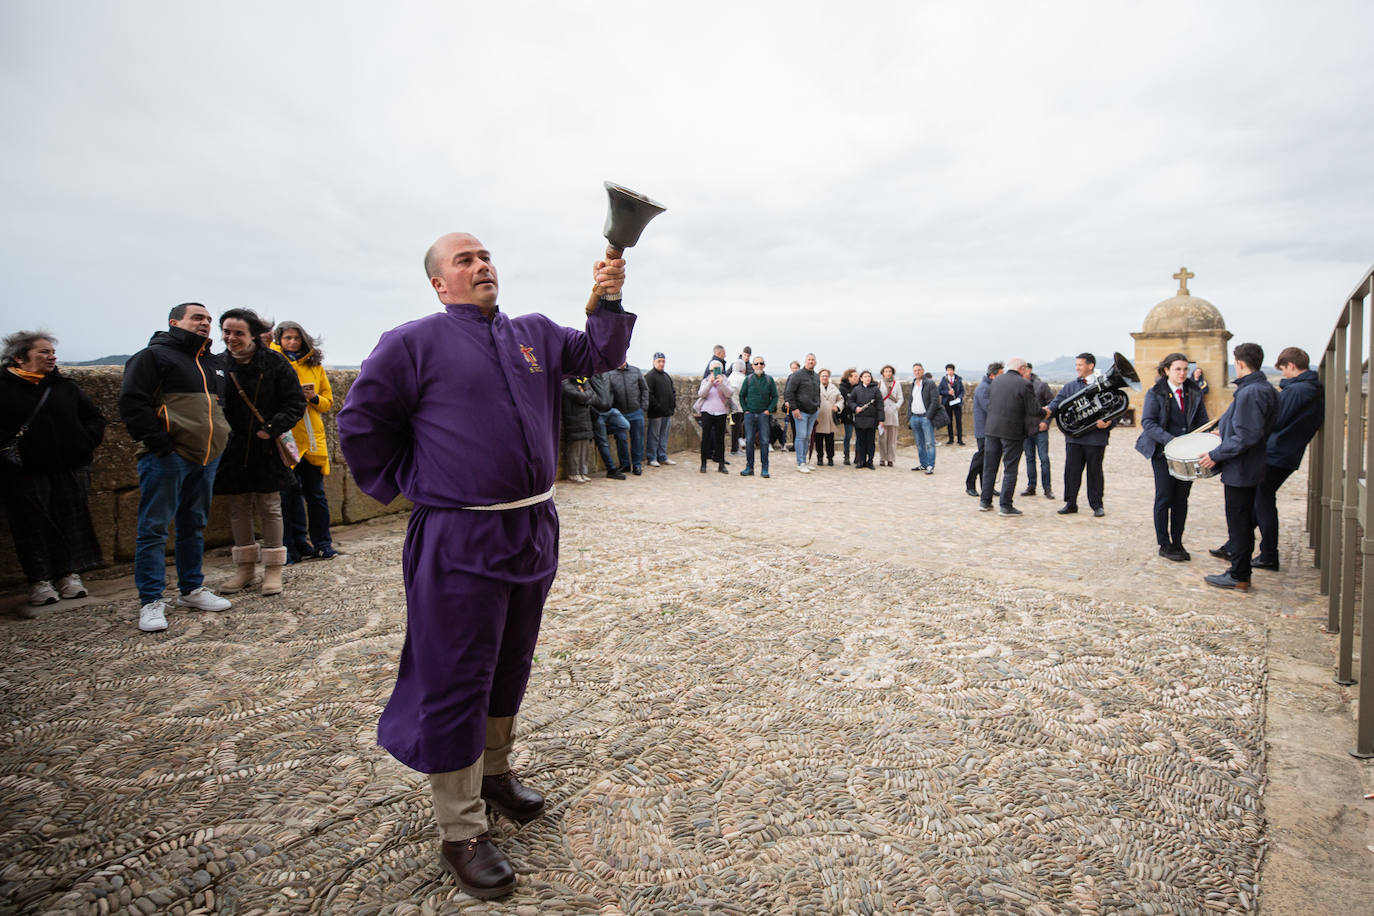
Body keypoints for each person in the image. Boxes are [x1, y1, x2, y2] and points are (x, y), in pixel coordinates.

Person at [337, 231, 633, 899]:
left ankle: (494, 773)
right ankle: (461, 827)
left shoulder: (534, 333)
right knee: (455, 674)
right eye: (464, 260)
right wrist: (413, 480)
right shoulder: (411, 342)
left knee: (510, 660)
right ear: (440, 284)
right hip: (458, 537)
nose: (480, 265)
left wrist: (608, 297)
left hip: (532, 525)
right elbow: (361, 421)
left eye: (485, 256)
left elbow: (600, 352)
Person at [119, 303, 234, 632]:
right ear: (174, 322)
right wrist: (161, 445)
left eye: (209, 319)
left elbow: (217, 408)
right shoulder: (153, 357)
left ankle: (191, 588)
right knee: (154, 528)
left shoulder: (212, 362)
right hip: (168, 456)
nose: (205, 323)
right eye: (197, 317)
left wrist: (221, 441)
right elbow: (132, 402)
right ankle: (151, 600)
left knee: (193, 524)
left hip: (206, 456)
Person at [1, 331, 105, 609]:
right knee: (31, 525)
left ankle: (69, 575)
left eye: (52, 352)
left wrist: (84, 443)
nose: (51, 357)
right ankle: (39, 580)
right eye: (43, 352)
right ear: (19, 357)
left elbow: (94, 417)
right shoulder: (4, 387)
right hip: (25, 471)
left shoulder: (64, 386)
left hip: (69, 466)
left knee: (70, 520)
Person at [215, 308, 306, 597]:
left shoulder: (275, 363)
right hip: (233, 447)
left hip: (266, 445)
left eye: (238, 333)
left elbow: (294, 402)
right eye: (227, 332)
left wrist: (271, 428)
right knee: (238, 508)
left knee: (270, 507)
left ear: (254, 334)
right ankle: (244, 568)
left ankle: (273, 569)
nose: (231, 338)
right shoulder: (218, 364)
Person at [1213, 346, 1323, 570]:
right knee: (1259, 501)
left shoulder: (1298, 390)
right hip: (1285, 453)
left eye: (1284, 370)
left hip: (1276, 454)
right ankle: (1235, 545)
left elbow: (1273, 421)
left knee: (1262, 503)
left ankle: (1268, 553)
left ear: (1292, 366)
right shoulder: (1310, 388)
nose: (1283, 375)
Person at [1199, 343, 1279, 590]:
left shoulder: (1250, 392)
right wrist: (1223, 430)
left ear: (1240, 363)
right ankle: (1239, 572)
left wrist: (1216, 453)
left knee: (1239, 523)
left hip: (1242, 469)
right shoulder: (1266, 388)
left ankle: (1239, 574)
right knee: (1242, 520)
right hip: (1251, 465)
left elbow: (1247, 436)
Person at [271, 321, 338, 563]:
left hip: (311, 440)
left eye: (296, 338)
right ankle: (290, 547)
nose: (292, 342)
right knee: (287, 497)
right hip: (286, 438)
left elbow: (328, 401)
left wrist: (313, 397)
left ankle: (323, 544)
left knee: (316, 495)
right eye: (287, 338)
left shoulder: (314, 365)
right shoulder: (273, 363)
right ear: (279, 340)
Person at [1135, 352, 1208, 561]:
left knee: (1181, 500)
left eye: (1185, 369)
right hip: (1162, 453)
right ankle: (1164, 544)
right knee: (1164, 497)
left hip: (1187, 455)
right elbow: (1148, 423)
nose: (1183, 373)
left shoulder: (1194, 392)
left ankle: (1178, 542)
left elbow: (1202, 419)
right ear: (1167, 370)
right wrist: (1172, 441)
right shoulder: (1155, 393)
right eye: (1178, 369)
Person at [1047, 352, 1114, 517]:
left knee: (1095, 472)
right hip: (1074, 438)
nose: (1077, 368)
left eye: (1080, 365)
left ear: (1090, 366)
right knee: (1071, 471)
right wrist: (1047, 410)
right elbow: (1057, 403)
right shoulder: (1070, 386)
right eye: (1076, 365)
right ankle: (1070, 503)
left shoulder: (1104, 385)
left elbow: (1115, 407)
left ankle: (1097, 505)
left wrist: (1109, 422)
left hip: (1096, 438)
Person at [980, 358, 1043, 516]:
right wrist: (1046, 412)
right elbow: (1033, 409)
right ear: (1022, 368)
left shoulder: (996, 381)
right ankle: (1005, 505)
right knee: (1010, 469)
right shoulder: (1024, 384)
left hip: (992, 429)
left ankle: (985, 501)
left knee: (990, 467)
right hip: (1012, 431)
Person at [965, 362, 1002, 496]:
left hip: (991, 429)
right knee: (981, 457)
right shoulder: (984, 388)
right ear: (993, 375)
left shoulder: (991, 387)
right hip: (984, 430)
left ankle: (987, 487)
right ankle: (970, 484)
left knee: (989, 460)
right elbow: (990, 408)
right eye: (1000, 375)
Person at [738, 354, 776, 478]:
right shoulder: (748, 380)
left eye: (761, 363)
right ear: (753, 366)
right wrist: (746, 410)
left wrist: (769, 410)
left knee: (764, 441)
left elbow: (775, 396)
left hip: (763, 415)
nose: (759, 365)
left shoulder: (769, 380)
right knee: (749, 441)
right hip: (750, 415)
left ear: (764, 365)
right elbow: (741, 396)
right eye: (756, 364)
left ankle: (765, 468)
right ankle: (749, 467)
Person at [1020, 363, 1054, 498]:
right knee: (1029, 458)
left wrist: (1046, 422)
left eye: (1024, 369)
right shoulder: (1019, 386)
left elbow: (1052, 404)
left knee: (1044, 458)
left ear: (1029, 370)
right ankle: (1031, 486)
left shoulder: (1041, 385)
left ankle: (1047, 488)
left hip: (1040, 428)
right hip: (1026, 429)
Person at [608, 361, 648, 475]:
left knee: (637, 439)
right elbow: (608, 393)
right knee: (621, 440)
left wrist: (643, 407)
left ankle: (637, 464)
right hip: (619, 413)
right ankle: (624, 465)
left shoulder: (636, 370)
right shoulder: (610, 373)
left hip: (636, 411)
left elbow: (644, 389)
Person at [589, 372, 629, 480]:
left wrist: (611, 403)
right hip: (598, 413)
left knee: (625, 425)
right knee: (603, 443)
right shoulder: (589, 375)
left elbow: (611, 391)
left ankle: (599, 434)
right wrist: (593, 410)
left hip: (610, 410)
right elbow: (587, 393)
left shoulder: (607, 374)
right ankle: (611, 469)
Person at [784, 354, 820, 472]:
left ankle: (805, 461)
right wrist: (794, 409)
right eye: (809, 360)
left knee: (807, 437)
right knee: (801, 436)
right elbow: (789, 392)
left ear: (815, 362)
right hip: (801, 411)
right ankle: (800, 463)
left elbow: (817, 392)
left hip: (813, 411)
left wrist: (817, 406)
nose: (811, 362)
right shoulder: (797, 375)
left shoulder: (816, 376)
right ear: (805, 361)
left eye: (813, 360)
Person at [696, 359, 732, 474]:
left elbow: (729, 394)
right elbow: (701, 394)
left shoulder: (725, 381)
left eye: (717, 370)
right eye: (712, 370)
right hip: (707, 411)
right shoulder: (706, 380)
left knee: (720, 439)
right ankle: (703, 464)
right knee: (705, 438)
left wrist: (721, 384)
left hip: (721, 412)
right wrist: (710, 383)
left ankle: (721, 464)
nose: (714, 372)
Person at [644, 352, 677, 467]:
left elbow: (672, 391)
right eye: (659, 361)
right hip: (656, 413)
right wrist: (657, 406)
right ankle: (652, 457)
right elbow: (649, 394)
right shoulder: (650, 376)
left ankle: (662, 456)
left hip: (667, 412)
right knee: (654, 435)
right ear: (654, 362)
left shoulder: (666, 376)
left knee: (664, 435)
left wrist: (672, 405)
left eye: (663, 361)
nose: (661, 363)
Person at [560, 376, 595, 483]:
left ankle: (583, 472)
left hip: (585, 420)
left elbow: (593, 396)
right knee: (574, 449)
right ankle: (573, 473)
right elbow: (580, 396)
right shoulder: (565, 382)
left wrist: (585, 395)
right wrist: (585, 395)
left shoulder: (584, 381)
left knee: (585, 448)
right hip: (573, 420)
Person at [907, 362, 940, 474]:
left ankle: (930, 465)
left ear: (923, 371)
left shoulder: (930, 383)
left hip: (925, 417)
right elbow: (911, 401)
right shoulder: (913, 384)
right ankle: (923, 464)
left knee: (929, 443)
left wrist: (928, 416)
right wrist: (909, 417)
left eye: (919, 370)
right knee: (919, 443)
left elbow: (935, 401)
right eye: (915, 370)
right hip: (915, 417)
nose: (917, 372)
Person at [847, 370, 881, 469]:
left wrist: (881, 419)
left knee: (870, 442)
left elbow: (880, 405)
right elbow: (850, 401)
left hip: (871, 420)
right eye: (865, 377)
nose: (867, 378)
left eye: (869, 376)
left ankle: (870, 461)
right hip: (860, 420)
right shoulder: (856, 389)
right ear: (861, 379)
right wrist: (855, 407)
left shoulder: (875, 390)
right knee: (861, 441)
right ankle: (861, 461)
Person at [813, 368, 843, 466]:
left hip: (830, 418)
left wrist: (837, 406)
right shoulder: (815, 387)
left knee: (830, 440)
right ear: (819, 377)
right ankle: (820, 458)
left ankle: (830, 458)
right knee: (818, 440)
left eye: (826, 376)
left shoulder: (834, 388)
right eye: (822, 376)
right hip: (819, 417)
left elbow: (840, 399)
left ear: (829, 377)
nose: (824, 377)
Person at [876, 365, 903, 467]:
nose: (888, 373)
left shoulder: (897, 384)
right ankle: (882, 458)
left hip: (893, 414)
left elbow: (901, 398)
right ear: (883, 373)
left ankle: (891, 458)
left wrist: (896, 407)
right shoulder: (879, 384)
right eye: (886, 371)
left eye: (890, 371)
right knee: (882, 438)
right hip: (882, 413)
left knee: (892, 439)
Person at [940, 364, 965, 445]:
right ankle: (951, 439)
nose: (949, 371)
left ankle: (960, 439)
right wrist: (947, 392)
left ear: (953, 370)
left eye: (951, 370)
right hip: (947, 402)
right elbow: (939, 391)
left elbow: (962, 390)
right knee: (949, 421)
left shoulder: (958, 379)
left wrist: (959, 398)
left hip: (957, 402)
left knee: (958, 421)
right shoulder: (944, 379)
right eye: (948, 370)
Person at [727, 358, 748, 455]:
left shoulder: (731, 376)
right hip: (737, 407)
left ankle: (735, 448)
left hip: (730, 406)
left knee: (734, 429)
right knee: (736, 429)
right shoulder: (742, 378)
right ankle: (734, 449)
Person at [837, 368, 858, 465]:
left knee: (859, 436)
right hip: (848, 415)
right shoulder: (842, 388)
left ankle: (858, 455)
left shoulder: (859, 387)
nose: (857, 378)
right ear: (849, 377)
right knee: (848, 436)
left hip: (858, 415)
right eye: (855, 376)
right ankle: (846, 456)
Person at [781, 360, 801, 450]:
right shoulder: (790, 377)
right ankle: (795, 445)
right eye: (793, 368)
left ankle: (800, 445)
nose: (795, 370)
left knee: (800, 427)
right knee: (793, 426)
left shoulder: (802, 378)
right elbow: (786, 391)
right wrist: (786, 401)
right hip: (792, 405)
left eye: (796, 368)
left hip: (801, 406)